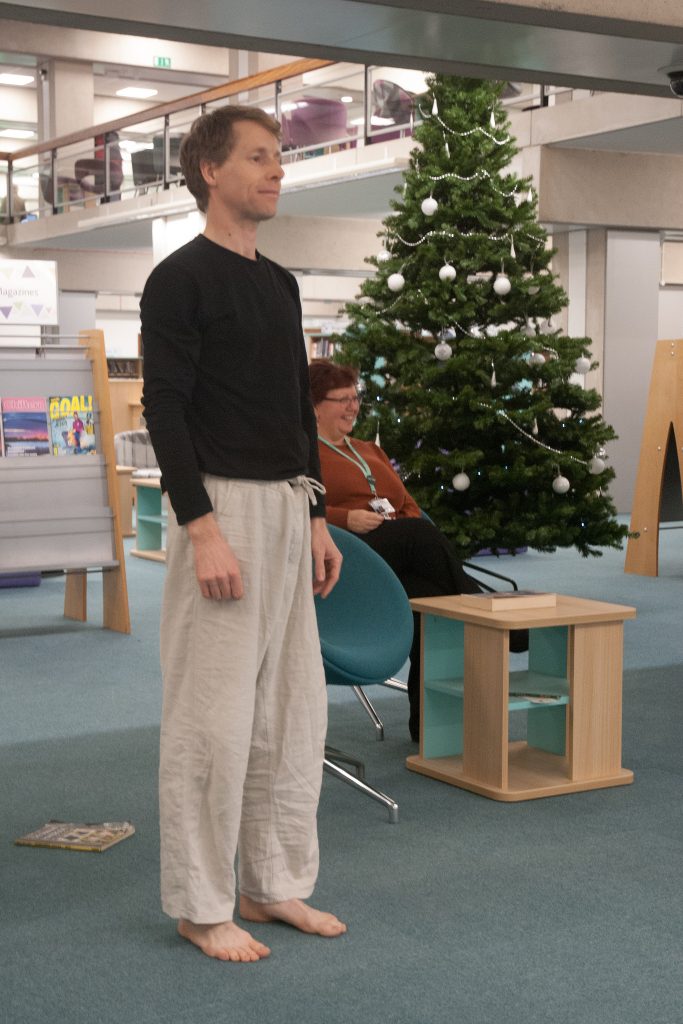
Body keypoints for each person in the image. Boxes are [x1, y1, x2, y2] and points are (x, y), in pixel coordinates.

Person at [140, 105, 345, 963]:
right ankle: (198, 902)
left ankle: (271, 883)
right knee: (211, 720)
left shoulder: (281, 283)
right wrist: (202, 528)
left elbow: (293, 411)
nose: (276, 171)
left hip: (284, 506)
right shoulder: (179, 279)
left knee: (292, 714)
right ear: (208, 170)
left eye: (280, 158)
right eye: (259, 157)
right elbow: (166, 408)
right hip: (219, 508)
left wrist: (317, 514)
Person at [309, 359, 527, 742]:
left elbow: (407, 503)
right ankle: (488, 611)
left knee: (430, 601)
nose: (352, 406)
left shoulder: (367, 450)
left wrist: (401, 521)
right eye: (341, 399)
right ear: (313, 405)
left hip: (397, 547)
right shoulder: (305, 453)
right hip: (349, 554)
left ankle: (425, 724)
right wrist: (345, 518)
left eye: (355, 398)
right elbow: (296, 508)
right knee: (420, 535)